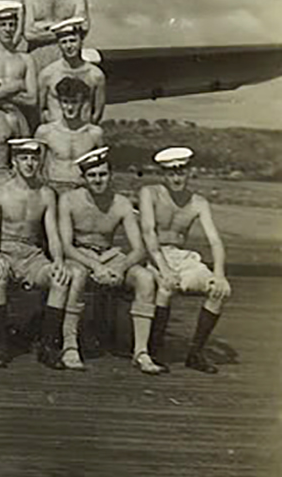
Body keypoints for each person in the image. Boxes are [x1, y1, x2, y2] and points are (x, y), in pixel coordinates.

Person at [59, 146, 163, 374]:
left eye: (103, 174)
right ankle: (70, 346)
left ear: (110, 174)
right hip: (80, 255)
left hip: (111, 256)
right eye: (92, 175)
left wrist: (120, 267)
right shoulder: (69, 200)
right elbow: (66, 246)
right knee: (77, 276)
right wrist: (95, 266)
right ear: (83, 178)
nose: (98, 180)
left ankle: (141, 352)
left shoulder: (121, 203)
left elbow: (138, 249)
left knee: (145, 278)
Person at [140, 146, 231, 374]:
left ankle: (195, 353)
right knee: (165, 286)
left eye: (181, 172)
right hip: (153, 254)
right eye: (171, 173)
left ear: (189, 172)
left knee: (220, 290)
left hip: (182, 257)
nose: (177, 177)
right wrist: (165, 269)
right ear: (163, 174)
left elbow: (216, 242)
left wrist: (219, 274)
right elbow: (148, 233)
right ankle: (155, 349)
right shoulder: (150, 193)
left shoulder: (198, 202)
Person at [0, 137, 78, 369]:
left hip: (32, 255)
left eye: (34, 158)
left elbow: (52, 235)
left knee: (60, 279)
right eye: (24, 158)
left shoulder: (46, 194)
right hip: (5, 251)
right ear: (14, 161)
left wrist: (58, 261)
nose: (29, 163)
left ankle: (49, 346)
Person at [35, 76, 106, 194]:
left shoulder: (94, 133)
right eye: (65, 101)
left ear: (83, 103)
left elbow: (102, 168)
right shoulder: (45, 132)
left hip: (82, 189)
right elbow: (37, 166)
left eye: (74, 102)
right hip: (53, 187)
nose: (69, 107)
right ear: (59, 102)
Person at [38, 17, 106, 124]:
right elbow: (41, 110)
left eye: (73, 41)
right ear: (58, 45)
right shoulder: (47, 74)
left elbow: (97, 112)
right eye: (64, 42)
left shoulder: (95, 75)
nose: (69, 46)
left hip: (83, 134)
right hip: (55, 135)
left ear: (81, 41)